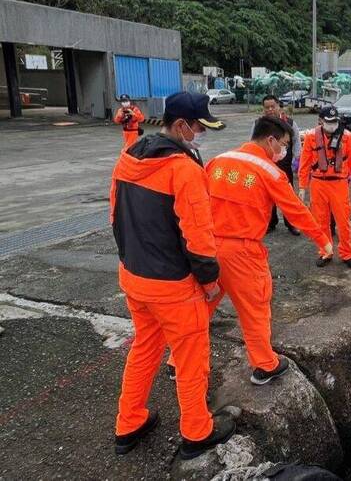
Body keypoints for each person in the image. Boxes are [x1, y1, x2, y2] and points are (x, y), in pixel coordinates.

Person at [110, 91, 234, 460]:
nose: (202, 134)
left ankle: (128, 423)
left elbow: (115, 219)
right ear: (181, 126)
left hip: (134, 278)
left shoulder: (127, 158)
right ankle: (197, 431)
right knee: (192, 358)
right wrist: (210, 282)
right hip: (174, 288)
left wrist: (131, 261)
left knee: (145, 349)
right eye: (200, 127)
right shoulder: (184, 170)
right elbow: (199, 238)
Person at [206, 116, 333, 385]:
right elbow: (295, 210)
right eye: (284, 145)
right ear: (270, 140)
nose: (284, 151)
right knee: (255, 308)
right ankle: (264, 365)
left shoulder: (218, 162)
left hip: (206, 248)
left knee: (202, 306)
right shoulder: (269, 171)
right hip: (242, 253)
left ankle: (177, 362)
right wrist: (322, 240)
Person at [298, 106, 351, 269]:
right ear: (320, 121)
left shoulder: (346, 137)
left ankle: (347, 253)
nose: (332, 125)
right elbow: (304, 163)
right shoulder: (311, 137)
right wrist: (302, 187)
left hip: (339, 184)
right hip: (318, 183)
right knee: (321, 221)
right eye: (328, 122)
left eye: (335, 122)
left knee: (343, 221)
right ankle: (325, 251)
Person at [256, 95, 302, 236]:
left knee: (287, 196)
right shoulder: (259, 123)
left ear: (278, 106)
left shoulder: (289, 122)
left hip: (285, 164)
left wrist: (296, 158)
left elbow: (296, 140)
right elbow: (253, 140)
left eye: (273, 106)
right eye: (267, 107)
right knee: (267, 196)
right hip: (265, 165)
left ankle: (292, 224)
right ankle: (271, 222)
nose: (270, 110)